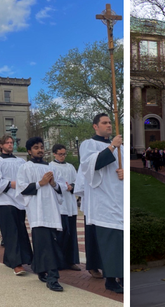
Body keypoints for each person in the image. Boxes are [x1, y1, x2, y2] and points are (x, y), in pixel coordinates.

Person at [73, 113, 124, 294]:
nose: (109, 125)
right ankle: (110, 280)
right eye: (104, 123)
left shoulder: (121, 148)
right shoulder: (89, 144)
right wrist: (112, 147)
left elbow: (122, 168)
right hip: (102, 200)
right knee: (110, 242)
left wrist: (123, 172)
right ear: (95, 126)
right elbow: (90, 166)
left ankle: (122, 277)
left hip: (119, 197)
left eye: (110, 122)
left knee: (120, 240)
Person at [17, 138, 65, 292]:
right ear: (29, 151)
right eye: (36, 147)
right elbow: (22, 188)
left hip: (52, 211)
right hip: (37, 212)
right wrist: (40, 183)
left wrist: (53, 184)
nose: (40, 150)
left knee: (48, 245)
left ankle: (40, 269)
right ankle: (53, 278)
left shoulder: (52, 168)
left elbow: (60, 188)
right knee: (44, 245)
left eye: (42, 147)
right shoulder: (25, 167)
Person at [0, 134, 33, 276]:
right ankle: (16, 263)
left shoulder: (20, 161)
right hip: (5, 200)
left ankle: (14, 258)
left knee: (20, 231)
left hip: (19, 201)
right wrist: (10, 184)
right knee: (10, 233)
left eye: (11, 142)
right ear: (1, 146)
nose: (10, 145)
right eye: (7, 143)